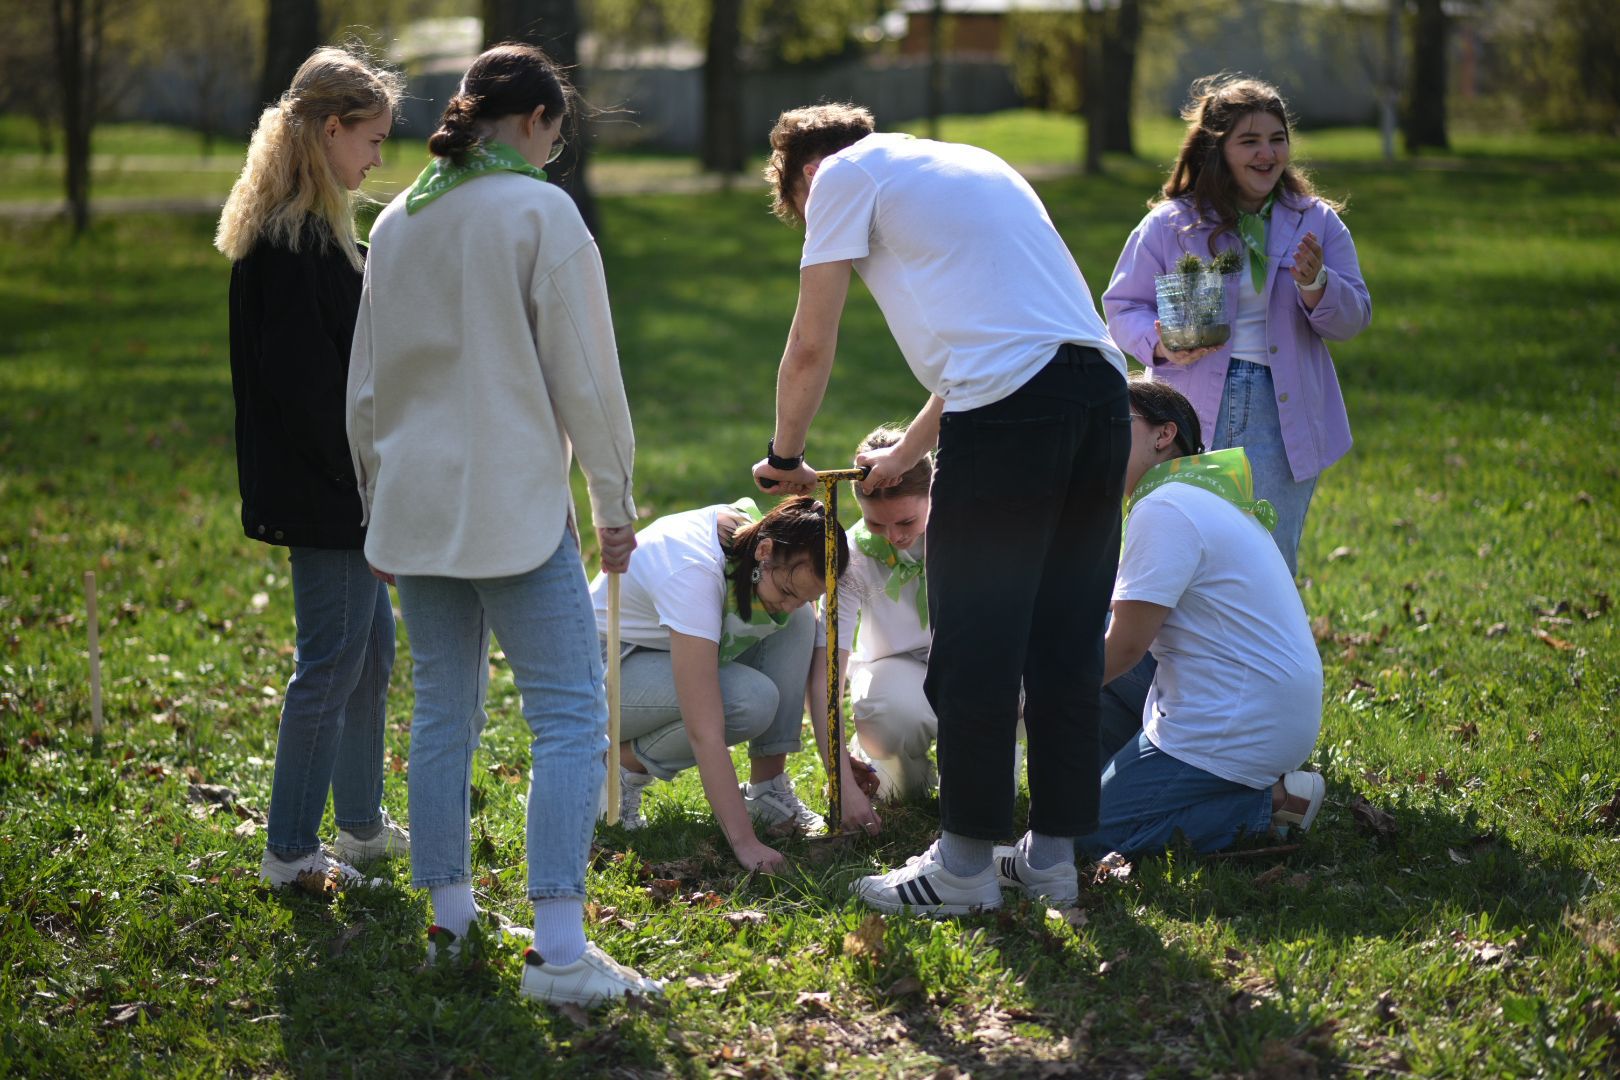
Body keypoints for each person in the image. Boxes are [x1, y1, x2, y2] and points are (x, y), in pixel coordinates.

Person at [752, 104, 1130, 916]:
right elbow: (1003, 336)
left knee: (976, 645)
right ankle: (1053, 860)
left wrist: (785, 456)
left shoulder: (841, 179)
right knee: (1065, 639)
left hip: (1011, 415)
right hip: (1100, 396)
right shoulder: (965, 161)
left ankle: (962, 866)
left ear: (808, 180)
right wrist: (909, 447)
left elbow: (811, 341)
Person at [346, 43, 659, 1006]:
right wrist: (615, 500)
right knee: (570, 716)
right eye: (554, 137)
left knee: (444, 713)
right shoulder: (539, 209)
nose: (553, 155)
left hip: (414, 504)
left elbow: (363, 388)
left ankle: (449, 925)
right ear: (532, 122)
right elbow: (592, 381)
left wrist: (376, 507)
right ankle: (559, 954)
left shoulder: (396, 218)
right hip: (515, 508)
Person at [216, 46, 410, 889]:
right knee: (331, 662)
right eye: (369, 139)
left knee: (371, 653)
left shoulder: (322, 229)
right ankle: (290, 848)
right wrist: (366, 487)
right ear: (330, 130)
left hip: (346, 488)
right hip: (328, 491)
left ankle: (361, 824)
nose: (377, 158)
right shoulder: (292, 243)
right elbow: (307, 395)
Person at [1012, 377, 1325, 870]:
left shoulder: (1165, 506)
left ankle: (1270, 804)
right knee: (1085, 675)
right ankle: (1121, 789)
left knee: (1083, 838)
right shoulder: (1198, 496)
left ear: (1164, 435)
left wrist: (1035, 695)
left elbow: (1127, 648)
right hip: (1260, 699)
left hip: (1239, 716)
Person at [1102, 74, 1372, 577]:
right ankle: (1151, 655)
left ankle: (1260, 655)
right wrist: (1158, 342)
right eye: (1249, 141)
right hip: (1187, 410)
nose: (1266, 154)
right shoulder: (1172, 223)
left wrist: (1318, 285)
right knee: (1171, 552)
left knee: (1266, 561)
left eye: (1277, 139)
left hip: (1282, 413)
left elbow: (1353, 315)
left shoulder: (1316, 221)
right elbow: (1122, 306)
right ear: (1217, 148)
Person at [590, 494, 882, 873]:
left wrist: (842, 780)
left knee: (796, 622)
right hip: (597, 674)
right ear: (765, 550)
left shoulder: (756, 539)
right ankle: (613, 770)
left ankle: (767, 789)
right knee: (749, 700)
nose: (790, 602)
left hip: (651, 653)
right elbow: (704, 730)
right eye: (789, 591)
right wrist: (745, 844)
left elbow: (808, 663)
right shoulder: (693, 573)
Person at [832, 424, 936, 802]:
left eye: (906, 521)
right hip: (896, 663)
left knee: (994, 798)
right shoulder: (851, 556)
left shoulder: (966, 532)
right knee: (888, 715)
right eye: (877, 523)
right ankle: (908, 781)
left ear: (931, 495)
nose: (894, 537)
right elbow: (832, 659)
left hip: (976, 659)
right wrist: (834, 758)